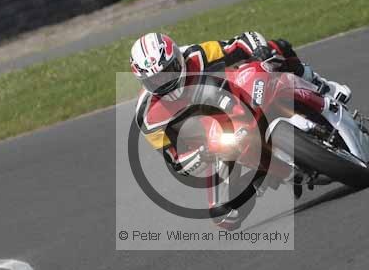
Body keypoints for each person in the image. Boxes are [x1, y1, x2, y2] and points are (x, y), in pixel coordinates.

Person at [131, 32, 351, 229]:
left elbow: (243, 40)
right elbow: (175, 161)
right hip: (217, 141)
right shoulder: (147, 115)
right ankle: (265, 176)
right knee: (224, 217)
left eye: (168, 71)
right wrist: (201, 153)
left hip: (239, 95)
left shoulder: (195, 55)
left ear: (178, 59)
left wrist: (259, 51)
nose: (165, 81)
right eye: (155, 80)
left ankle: (324, 86)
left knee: (276, 47)